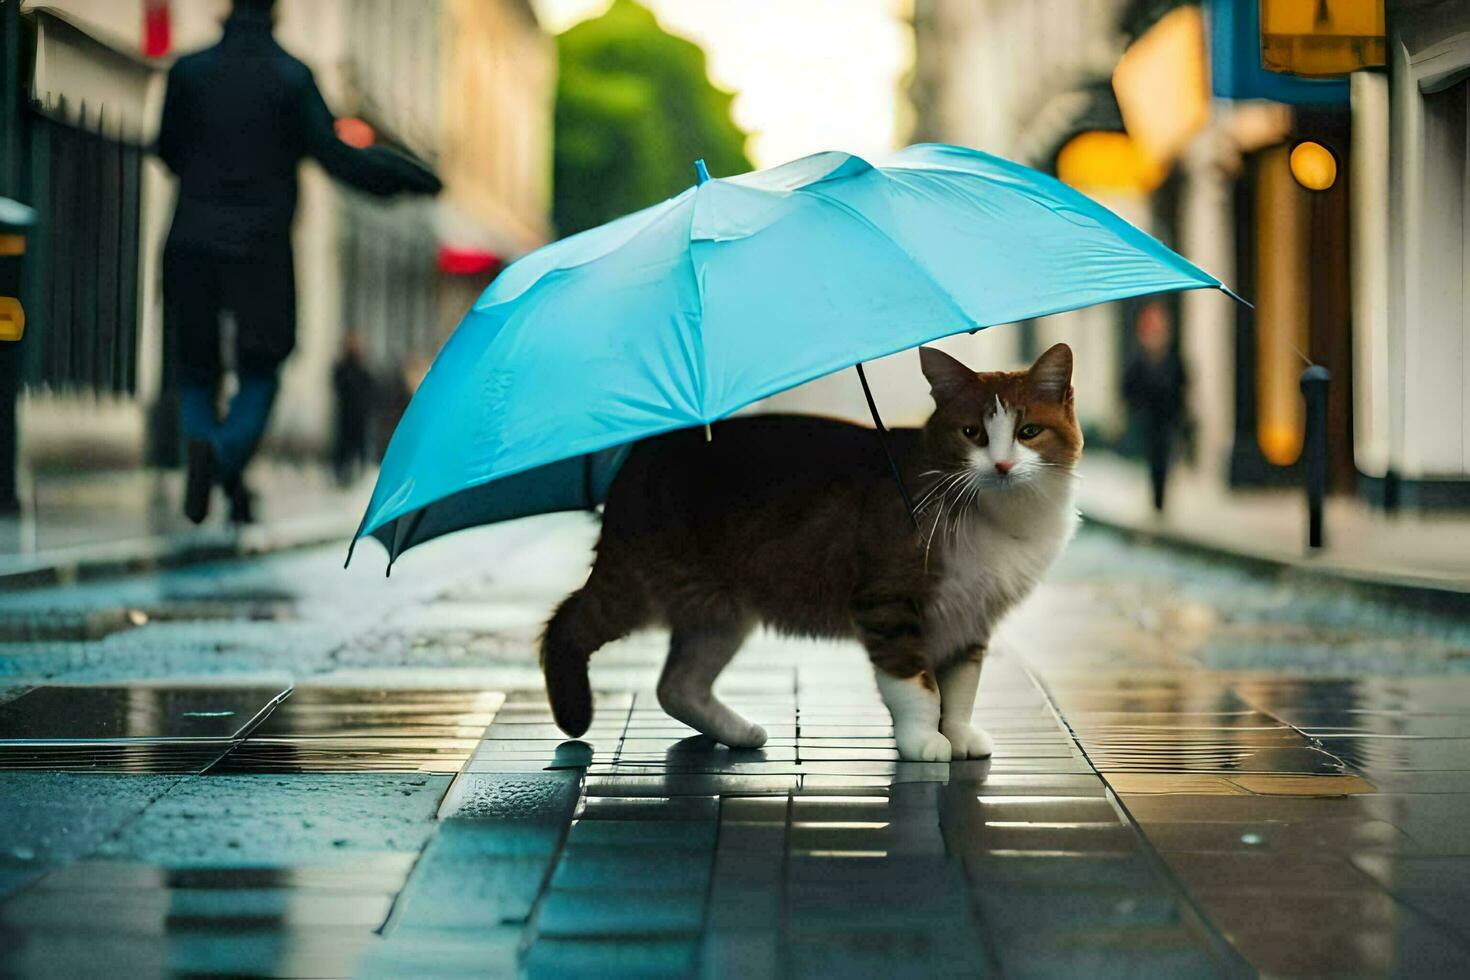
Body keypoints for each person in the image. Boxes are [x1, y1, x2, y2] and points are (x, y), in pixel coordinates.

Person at [156, 0, 440, 524]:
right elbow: (338, 157)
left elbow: (167, 150)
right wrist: (404, 177)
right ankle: (220, 456)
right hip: (260, 248)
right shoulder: (291, 78)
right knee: (262, 367)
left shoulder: (189, 72)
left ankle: (204, 446)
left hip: (192, 239)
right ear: (275, 13)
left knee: (195, 367)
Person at [1122, 301, 1187, 512]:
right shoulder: (1139, 359)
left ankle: (1161, 501)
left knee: (1165, 458)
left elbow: (1182, 383)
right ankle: (1157, 501)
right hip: (1149, 419)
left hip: (1167, 417)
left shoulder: (1172, 356)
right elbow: (1128, 388)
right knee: (1154, 460)